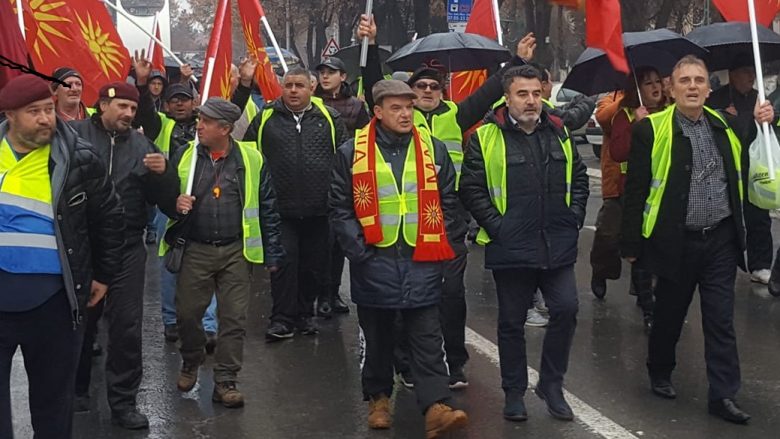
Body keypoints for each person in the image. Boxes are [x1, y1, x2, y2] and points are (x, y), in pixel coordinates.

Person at [358, 14, 532, 389]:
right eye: (419, 86)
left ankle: (455, 363)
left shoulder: (457, 114)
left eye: (433, 86)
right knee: (408, 300)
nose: (426, 91)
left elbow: (490, 90)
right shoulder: (399, 120)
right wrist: (370, 44)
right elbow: (375, 85)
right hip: (411, 222)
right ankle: (405, 364)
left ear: (442, 90)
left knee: (451, 297)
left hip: (449, 219)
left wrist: (515, 61)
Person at [621, 55, 773, 424]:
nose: (692, 86)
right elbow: (637, 190)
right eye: (684, 80)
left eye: (699, 81)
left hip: (719, 240)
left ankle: (723, 395)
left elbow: (758, 146)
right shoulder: (651, 129)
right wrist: (631, 247)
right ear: (672, 90)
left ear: (709, 89)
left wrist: (766, 119)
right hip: (675, 242)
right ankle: (659, 368)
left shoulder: (726, 124)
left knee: (720, 320)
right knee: (670, 314)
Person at [329, 79, 468, 437]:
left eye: (409, 106)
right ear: (377, 112)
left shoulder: (433, 150)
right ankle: (378, 399)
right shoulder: (351, 153)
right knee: (378, 338)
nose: (406, 113)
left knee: (426, 336)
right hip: (374, 261)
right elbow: (340, 208)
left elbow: (449, 201)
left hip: (422, 258)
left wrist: (446, 246)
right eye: (396, 107)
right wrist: (358, 251)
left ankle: (436, 406)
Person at [459, 65, 589, 422]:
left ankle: (551, 384)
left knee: (565, 310)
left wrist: (574, 216)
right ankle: (513, 392)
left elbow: (578, 177)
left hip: (557, 242)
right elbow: (471, 187)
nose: (531, 101)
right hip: (511, 248)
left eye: (536, 93)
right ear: (507, 97)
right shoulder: (485, 137)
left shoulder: (559, 132)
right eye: (522, 94)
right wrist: (499, 227)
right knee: (512, 324)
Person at [0, 74, 124, 439]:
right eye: (33, 112)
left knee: (53, 407)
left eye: (47, 109)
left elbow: (109, 218)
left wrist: (103, 275)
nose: (45, 119)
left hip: (54, 302)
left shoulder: (80, 158)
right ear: (9, 115)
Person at [69, 82, 179, 429]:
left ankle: (123, 401)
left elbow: (164, 201)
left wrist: (165, 175)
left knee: (126, 326)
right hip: (83, 244)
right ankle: (76, 390)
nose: (129, 114)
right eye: (123, 108)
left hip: (127, 245)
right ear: (103, 105)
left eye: (133, 109)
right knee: (81, 322)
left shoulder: (144, 145)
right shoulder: (74, 137)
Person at [165, 98, 284, 408]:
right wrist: (175, 201)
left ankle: (225, 381)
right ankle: (191, 358)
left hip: (235, 251)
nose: (198, 126)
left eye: (206, 121)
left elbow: (268, 205)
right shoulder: (185, 155)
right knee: (188, 314)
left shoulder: (251, 159)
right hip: (196, 249)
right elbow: (164, 196)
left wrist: (272, 253)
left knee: (233, 319)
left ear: (226, 129)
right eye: (199, 120)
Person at [244, 66, 347, 341]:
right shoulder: (267, 117)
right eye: (288, 85)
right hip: (280, 210)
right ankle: (281, 319)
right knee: (284, 265)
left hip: (319, 210)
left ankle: (304, 315)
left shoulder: (329, 117)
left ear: (311, 88)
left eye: (299, 85)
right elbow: (248, 156)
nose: (293, 90)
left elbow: (345, 159)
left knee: (313, 267)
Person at [133, 52, 219, 344]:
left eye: (185, 98)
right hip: (168, 205)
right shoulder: (160, 125)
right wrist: (142, 84)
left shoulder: (205, 125)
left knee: (207, 264)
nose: (180, 103)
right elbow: (144, 111)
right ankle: (171, 320)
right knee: (171, 263)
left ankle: (208, 324)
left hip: (205, 202)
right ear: (166, 105)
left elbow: (234, 113)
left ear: (195, 102)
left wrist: (243, 85)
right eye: (174, 100)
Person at [602, 66, 668, 332]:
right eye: (647, 84)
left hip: (665, 191)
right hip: (635, 191)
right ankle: (647, 305)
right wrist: (635, 126)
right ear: (636, 91)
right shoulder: (626, 115)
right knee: (638, 249)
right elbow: (618, 152)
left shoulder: (670, 113)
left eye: (657, 82)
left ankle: (661, 300)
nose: (654, 88)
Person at [706, 53, 773, 285]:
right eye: (746, 71)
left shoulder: (761, 99)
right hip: (725, 166)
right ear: (733, 75)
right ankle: (725, 262)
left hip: (754, 166)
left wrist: (765, 118)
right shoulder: (716, 99)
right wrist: (726, 117)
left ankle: (761, 264)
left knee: (759, 214)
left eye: (753, 72)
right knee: (727, 218)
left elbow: (766, 131)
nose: (751, 77)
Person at [314, 56, 370, 318]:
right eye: (322, 72)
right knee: (319, 243)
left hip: (345, 180)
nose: (325, 76)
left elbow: (366, 140)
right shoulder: (311, 104)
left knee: (339, 242)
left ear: (343, 76)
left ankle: (332, 292)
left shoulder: (356, 107)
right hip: (315, 180)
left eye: (331, 72)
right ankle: (317, 293)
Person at [589, 90, 624, 300]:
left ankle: (644, 292)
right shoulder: (611, 98)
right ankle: (600, 271)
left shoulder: (654, 98)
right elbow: (604, 118)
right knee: (608, 235)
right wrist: (626, 99)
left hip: (647, 182)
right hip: (616, 183)